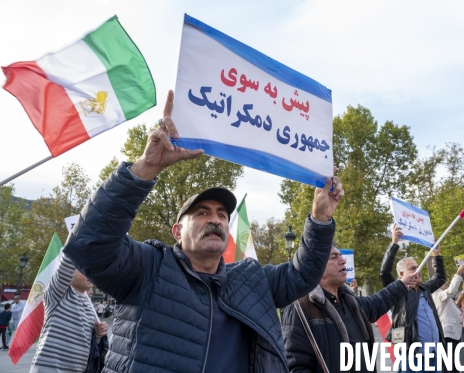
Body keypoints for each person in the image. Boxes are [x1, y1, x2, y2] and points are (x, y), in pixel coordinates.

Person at [64, 91, 345, 372]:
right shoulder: (148, 267)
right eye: (202, 213)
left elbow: (304, 274)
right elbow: (89, 246)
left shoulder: (252, 280)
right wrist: (145, 168)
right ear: (177, 231)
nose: (215, 219)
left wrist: (320, 219)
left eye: (222, 215)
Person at [282, 245, 417, 372]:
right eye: (334, 257)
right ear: (315, 267)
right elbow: (296, 365)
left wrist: (402, 284)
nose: (343, 260)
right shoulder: (300, 308)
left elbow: (377, 302)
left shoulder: (350, 302)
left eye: (341, 255)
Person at [381, 227, 446, 373]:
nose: (418, 270)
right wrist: (394, 243)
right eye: (413, 268)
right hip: (411, 356)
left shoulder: (425, 289)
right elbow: (385, 272)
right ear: (402, 274)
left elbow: (440, 278)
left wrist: (436, 254)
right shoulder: (398, 291)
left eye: (418, 267)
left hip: (434, 355)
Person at [30, 254, 109, 372]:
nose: (89, 272)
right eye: (83, 268)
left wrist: (97, 335)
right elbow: (69, 257)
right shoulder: (57, 294)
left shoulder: (89, 304)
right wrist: (79, 237)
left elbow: (91, 348)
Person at [432, 261, 464, 373]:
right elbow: (451, 291)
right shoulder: (436, 294)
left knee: (454, 365)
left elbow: (455, 306)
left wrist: (463, 291)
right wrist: (458, 273)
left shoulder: (442, 296)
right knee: (449, 366)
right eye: (444, 283)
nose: (446, 284)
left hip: (453, 334)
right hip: (448, 335)